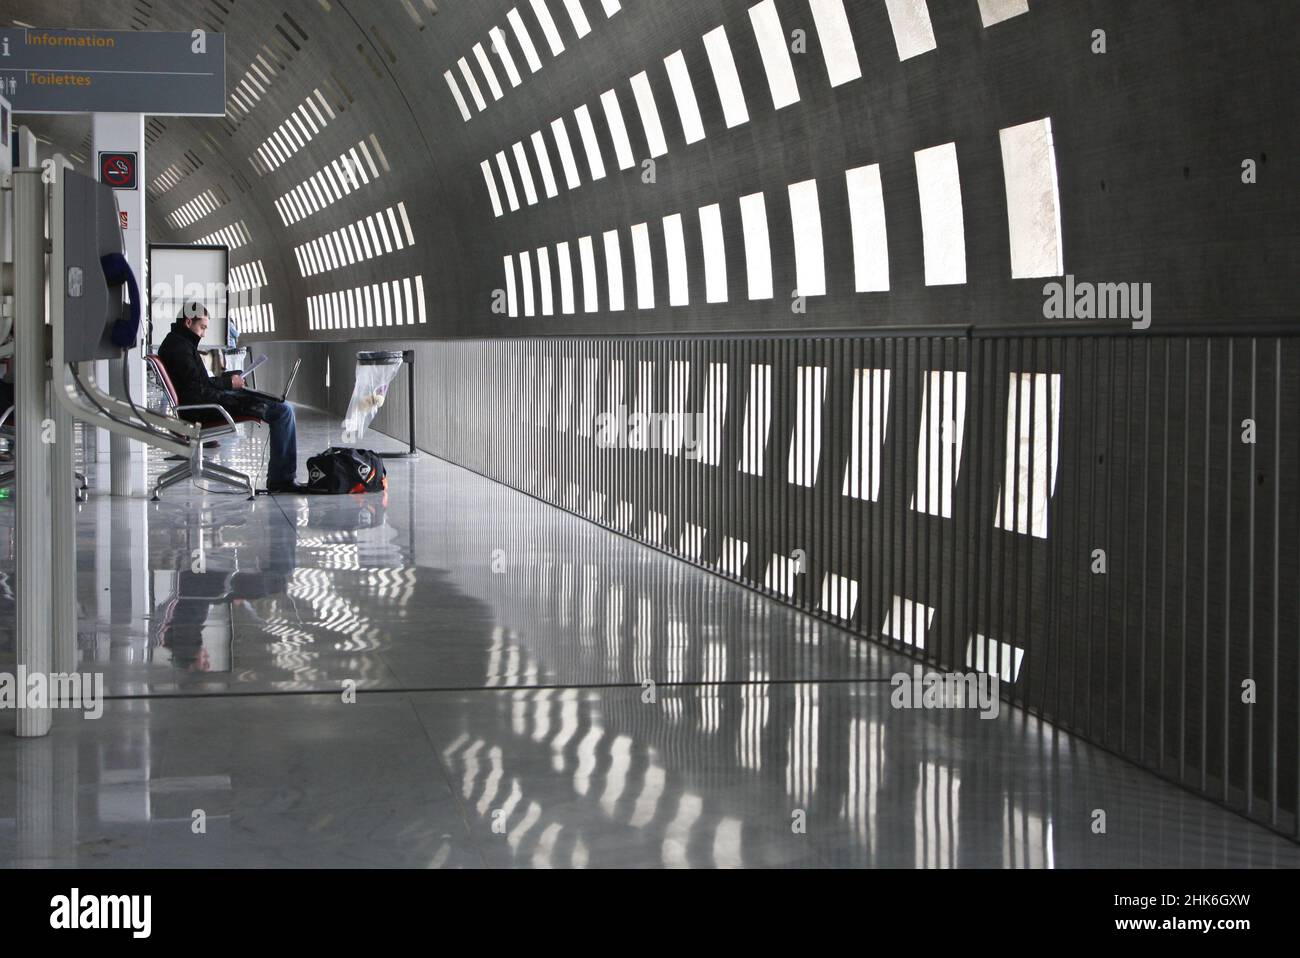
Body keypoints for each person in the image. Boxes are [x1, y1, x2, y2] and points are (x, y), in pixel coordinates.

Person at [157, 304, 307, 493]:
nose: (203, 334)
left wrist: (229, 381)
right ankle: (281, 480)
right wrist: (229, 386)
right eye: (202, 327)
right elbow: (197, 391)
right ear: (188, 322)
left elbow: (198, 384)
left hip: (203, 402)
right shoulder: (180, 348)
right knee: (283, 410)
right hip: (203, 408)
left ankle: (282, 478)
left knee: (275, 402)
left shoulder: (178, 343)